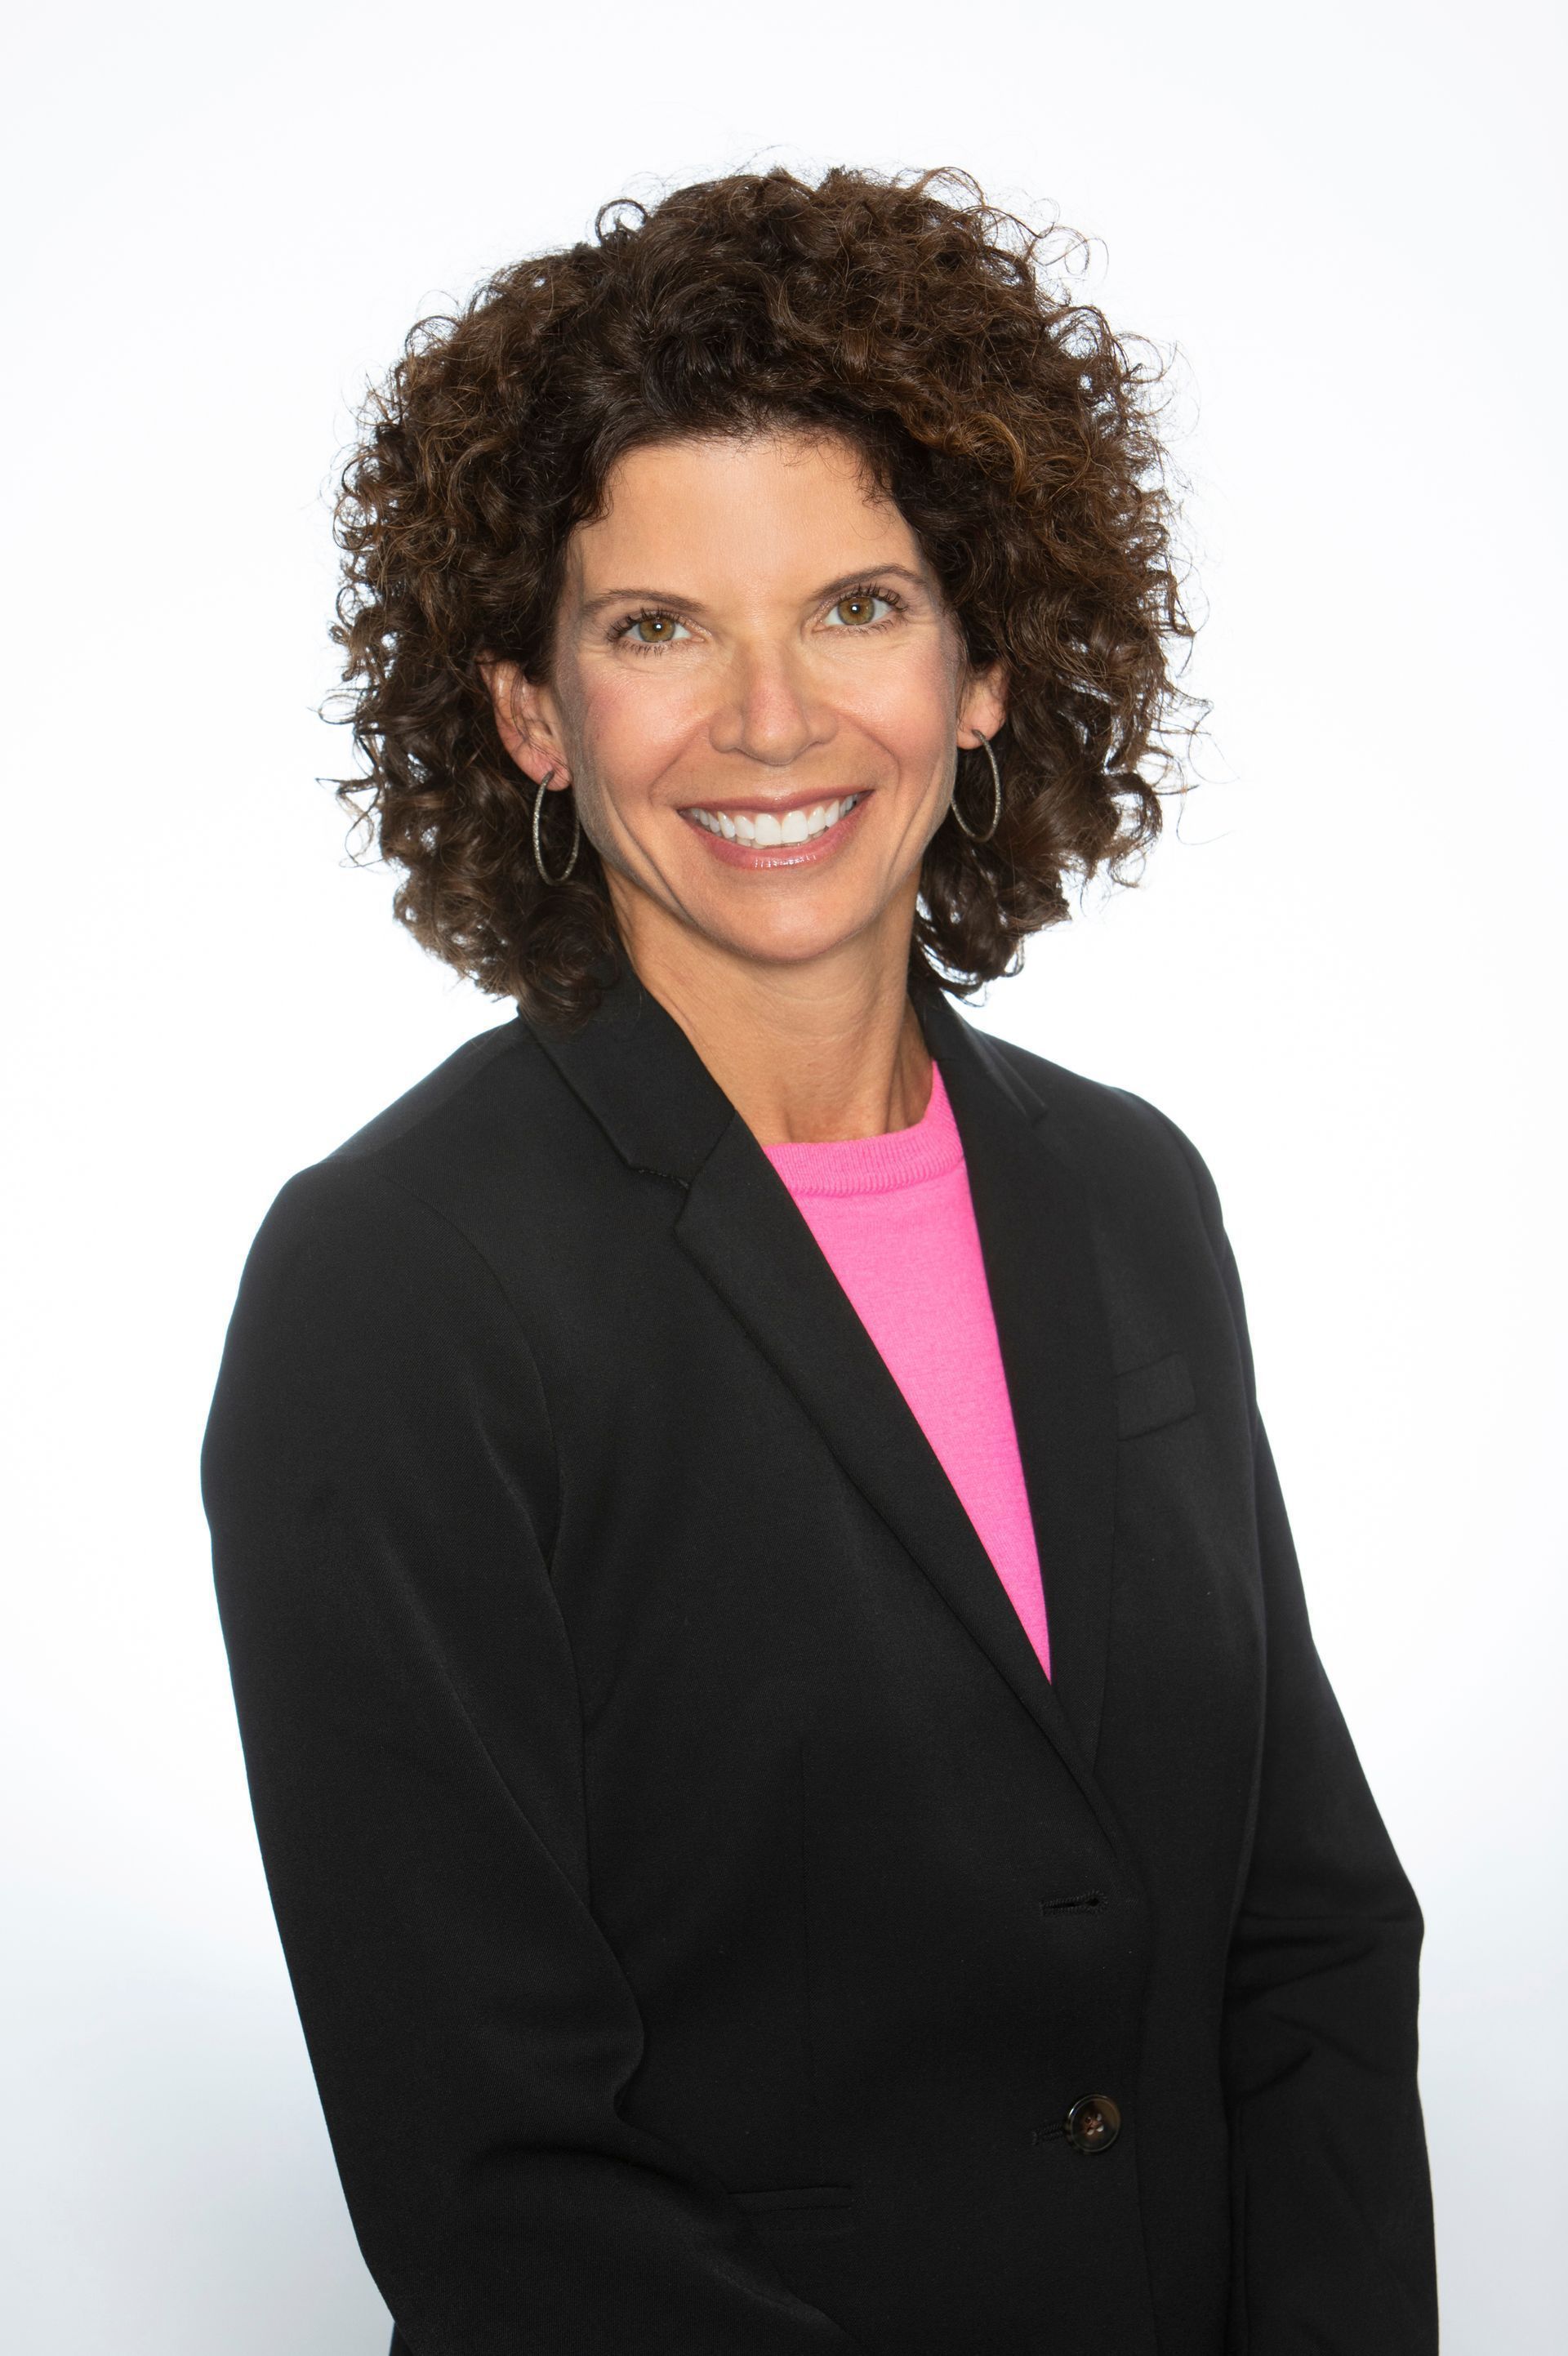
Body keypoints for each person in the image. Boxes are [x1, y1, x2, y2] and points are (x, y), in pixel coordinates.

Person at [201, 165, 1438, 2355]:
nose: (770, 717)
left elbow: (1302, 1932)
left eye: (858, 605)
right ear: (529, 713)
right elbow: (499, 2181)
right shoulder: (396, 1283)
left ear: (979, 666)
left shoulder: (1132, 1197)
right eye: (658, 626)